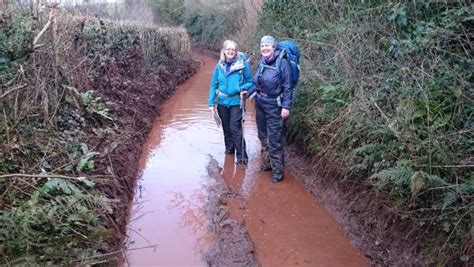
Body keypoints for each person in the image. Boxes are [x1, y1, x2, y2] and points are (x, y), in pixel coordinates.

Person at [243, 35, 293, 183]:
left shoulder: (282, 64)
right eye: (262, 46)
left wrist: (286, 107)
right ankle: (266, 164)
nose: (264, 48)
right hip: (260, 103)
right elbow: (256, 83)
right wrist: (248, 93)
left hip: (275, 106)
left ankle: (278, 173)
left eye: (267, 46)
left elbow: (288, 87)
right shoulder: (262, 62)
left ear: (273, 47)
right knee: (262, 136)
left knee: (275, 139)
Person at [208, 39, 253, 164]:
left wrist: (242, 89)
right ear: (224, 51)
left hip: (236, 102)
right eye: (228, 49)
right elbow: (213, 84)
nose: (230, 51)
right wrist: (211, 103)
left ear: (236, 52)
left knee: (235, 128)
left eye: (233, 49)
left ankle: (242, 157)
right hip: (222, 102)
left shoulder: (242, 65)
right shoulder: (219, 66)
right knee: (226, 127)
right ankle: (229, 150)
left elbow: (250, 81)